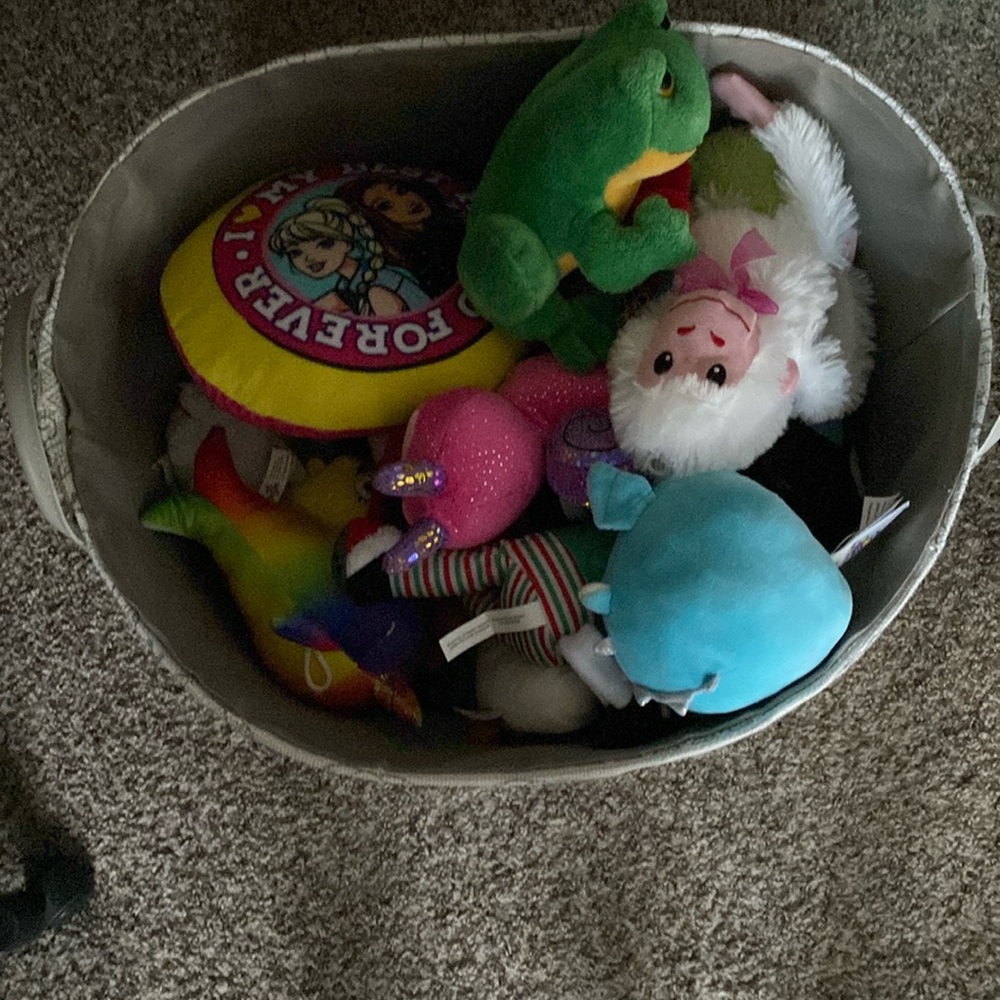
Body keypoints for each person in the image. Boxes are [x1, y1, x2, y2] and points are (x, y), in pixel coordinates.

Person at [268, 196, 429, 315]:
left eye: (324, 244)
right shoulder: (345, 285)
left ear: (348, 244)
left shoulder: (381, 284)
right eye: (295, 252)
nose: (310, 258)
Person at [335, 176, 466, 299]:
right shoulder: (413, 260)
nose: (405, 201)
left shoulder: (455, 226)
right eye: (385, 206)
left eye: (401, 191)